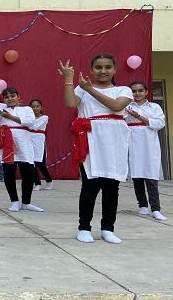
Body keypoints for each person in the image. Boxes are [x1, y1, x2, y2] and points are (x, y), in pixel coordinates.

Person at [58, 55, 132, 244]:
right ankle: (84, 227)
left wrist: (89, 89)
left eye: (108, 67)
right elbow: (70, 103)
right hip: (91, 140)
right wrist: (68, 79)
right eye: (98, 67)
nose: (103, 71)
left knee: (111, 187)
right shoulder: (81, 89)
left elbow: (116, 107)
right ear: (91, 70)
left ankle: (108, 228)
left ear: (115, 70)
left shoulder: (123, 90)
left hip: (115, 141)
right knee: (90, 186)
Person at [0, 87, 44, 213]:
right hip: (7, 145)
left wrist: (10, 117)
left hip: (24, 145)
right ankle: (14, 201)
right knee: (9, 174)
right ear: (3, 99)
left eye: (12, 96)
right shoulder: (0, 110)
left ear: (18, 97)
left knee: (28, 173)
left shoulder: (27, 109)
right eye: (6, 97)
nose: (10, 99)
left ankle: (26, 202)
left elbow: (30, 122)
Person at [126, 81, 167, 221]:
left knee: (151, 176)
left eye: (140, 91)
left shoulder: (154, 107)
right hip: (133, 142)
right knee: (137, 175)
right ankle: (142, 205)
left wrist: (139, 117)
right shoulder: (126, 106)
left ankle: (155, 208)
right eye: (134, 91)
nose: (137, 94)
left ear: (146, 92)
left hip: (149, 145)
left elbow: (159, 123)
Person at [29, 99, 53, 191]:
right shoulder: (29, 118)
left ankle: (49, 180)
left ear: (41, 107)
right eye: (33, 106)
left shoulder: (44, 117)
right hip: (29, 141)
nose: (35, 108)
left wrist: (28, 124)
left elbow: (35, 127)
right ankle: (37, 183)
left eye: (37, 106)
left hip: (39, 142)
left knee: (40, 163)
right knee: (32, 163)